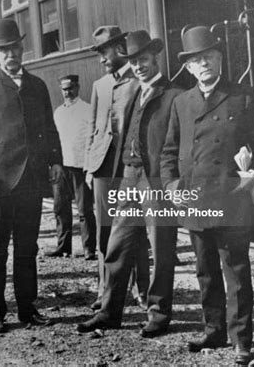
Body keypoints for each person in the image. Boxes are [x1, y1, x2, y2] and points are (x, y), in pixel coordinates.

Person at [160, 26, 254, 366]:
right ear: (190, 68)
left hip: (231, 196)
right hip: (195, 198)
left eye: (208, 56)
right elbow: (168, 152)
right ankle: (214, 330)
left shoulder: (243, 96)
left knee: (236, 271)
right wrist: (171, 187)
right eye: (196, 60)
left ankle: (242, 341)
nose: (204, 63)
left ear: (219, 59)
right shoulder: (181, 102)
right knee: (205, 270)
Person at [0, 19, 63, 334]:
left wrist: (56, 161)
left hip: (30, 180)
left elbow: (49, 129)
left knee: (27, 247)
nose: (10, 55)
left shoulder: (37, 86)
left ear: (22, 49)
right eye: (3, 50)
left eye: (15, 48)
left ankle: (27, 308)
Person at [78, 30, 182, 335]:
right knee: (116, 247)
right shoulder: (135, 91)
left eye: (144, 60)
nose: (139, 66)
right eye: (134, 62)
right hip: (128, 178)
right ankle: (109, 312)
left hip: (155, 182)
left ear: (155, 58)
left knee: (161, 250)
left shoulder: (173, 94)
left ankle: (159, 316)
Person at [83, 25, 146, 310]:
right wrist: (88, 166)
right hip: (102, 165)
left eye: (104, 51)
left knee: (136, 228)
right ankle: (105, 291)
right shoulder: (99, 85)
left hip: (129, 166)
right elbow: (94, 128)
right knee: (104, 230)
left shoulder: (139, 79)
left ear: (120, 48)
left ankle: (141, 289)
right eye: (99, 53)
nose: (102, 59)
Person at [46, 75, 96, 260]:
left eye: (71, 88)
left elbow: (92, 137)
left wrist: (89, 165)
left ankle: (89, 248)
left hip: (80, 166)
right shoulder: (58, 112)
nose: (68, 93)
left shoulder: (87, 109)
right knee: (60, 208)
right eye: (64, 89)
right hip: (61, 167)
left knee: (84, 210)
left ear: (78, 87)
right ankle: (63, 247)